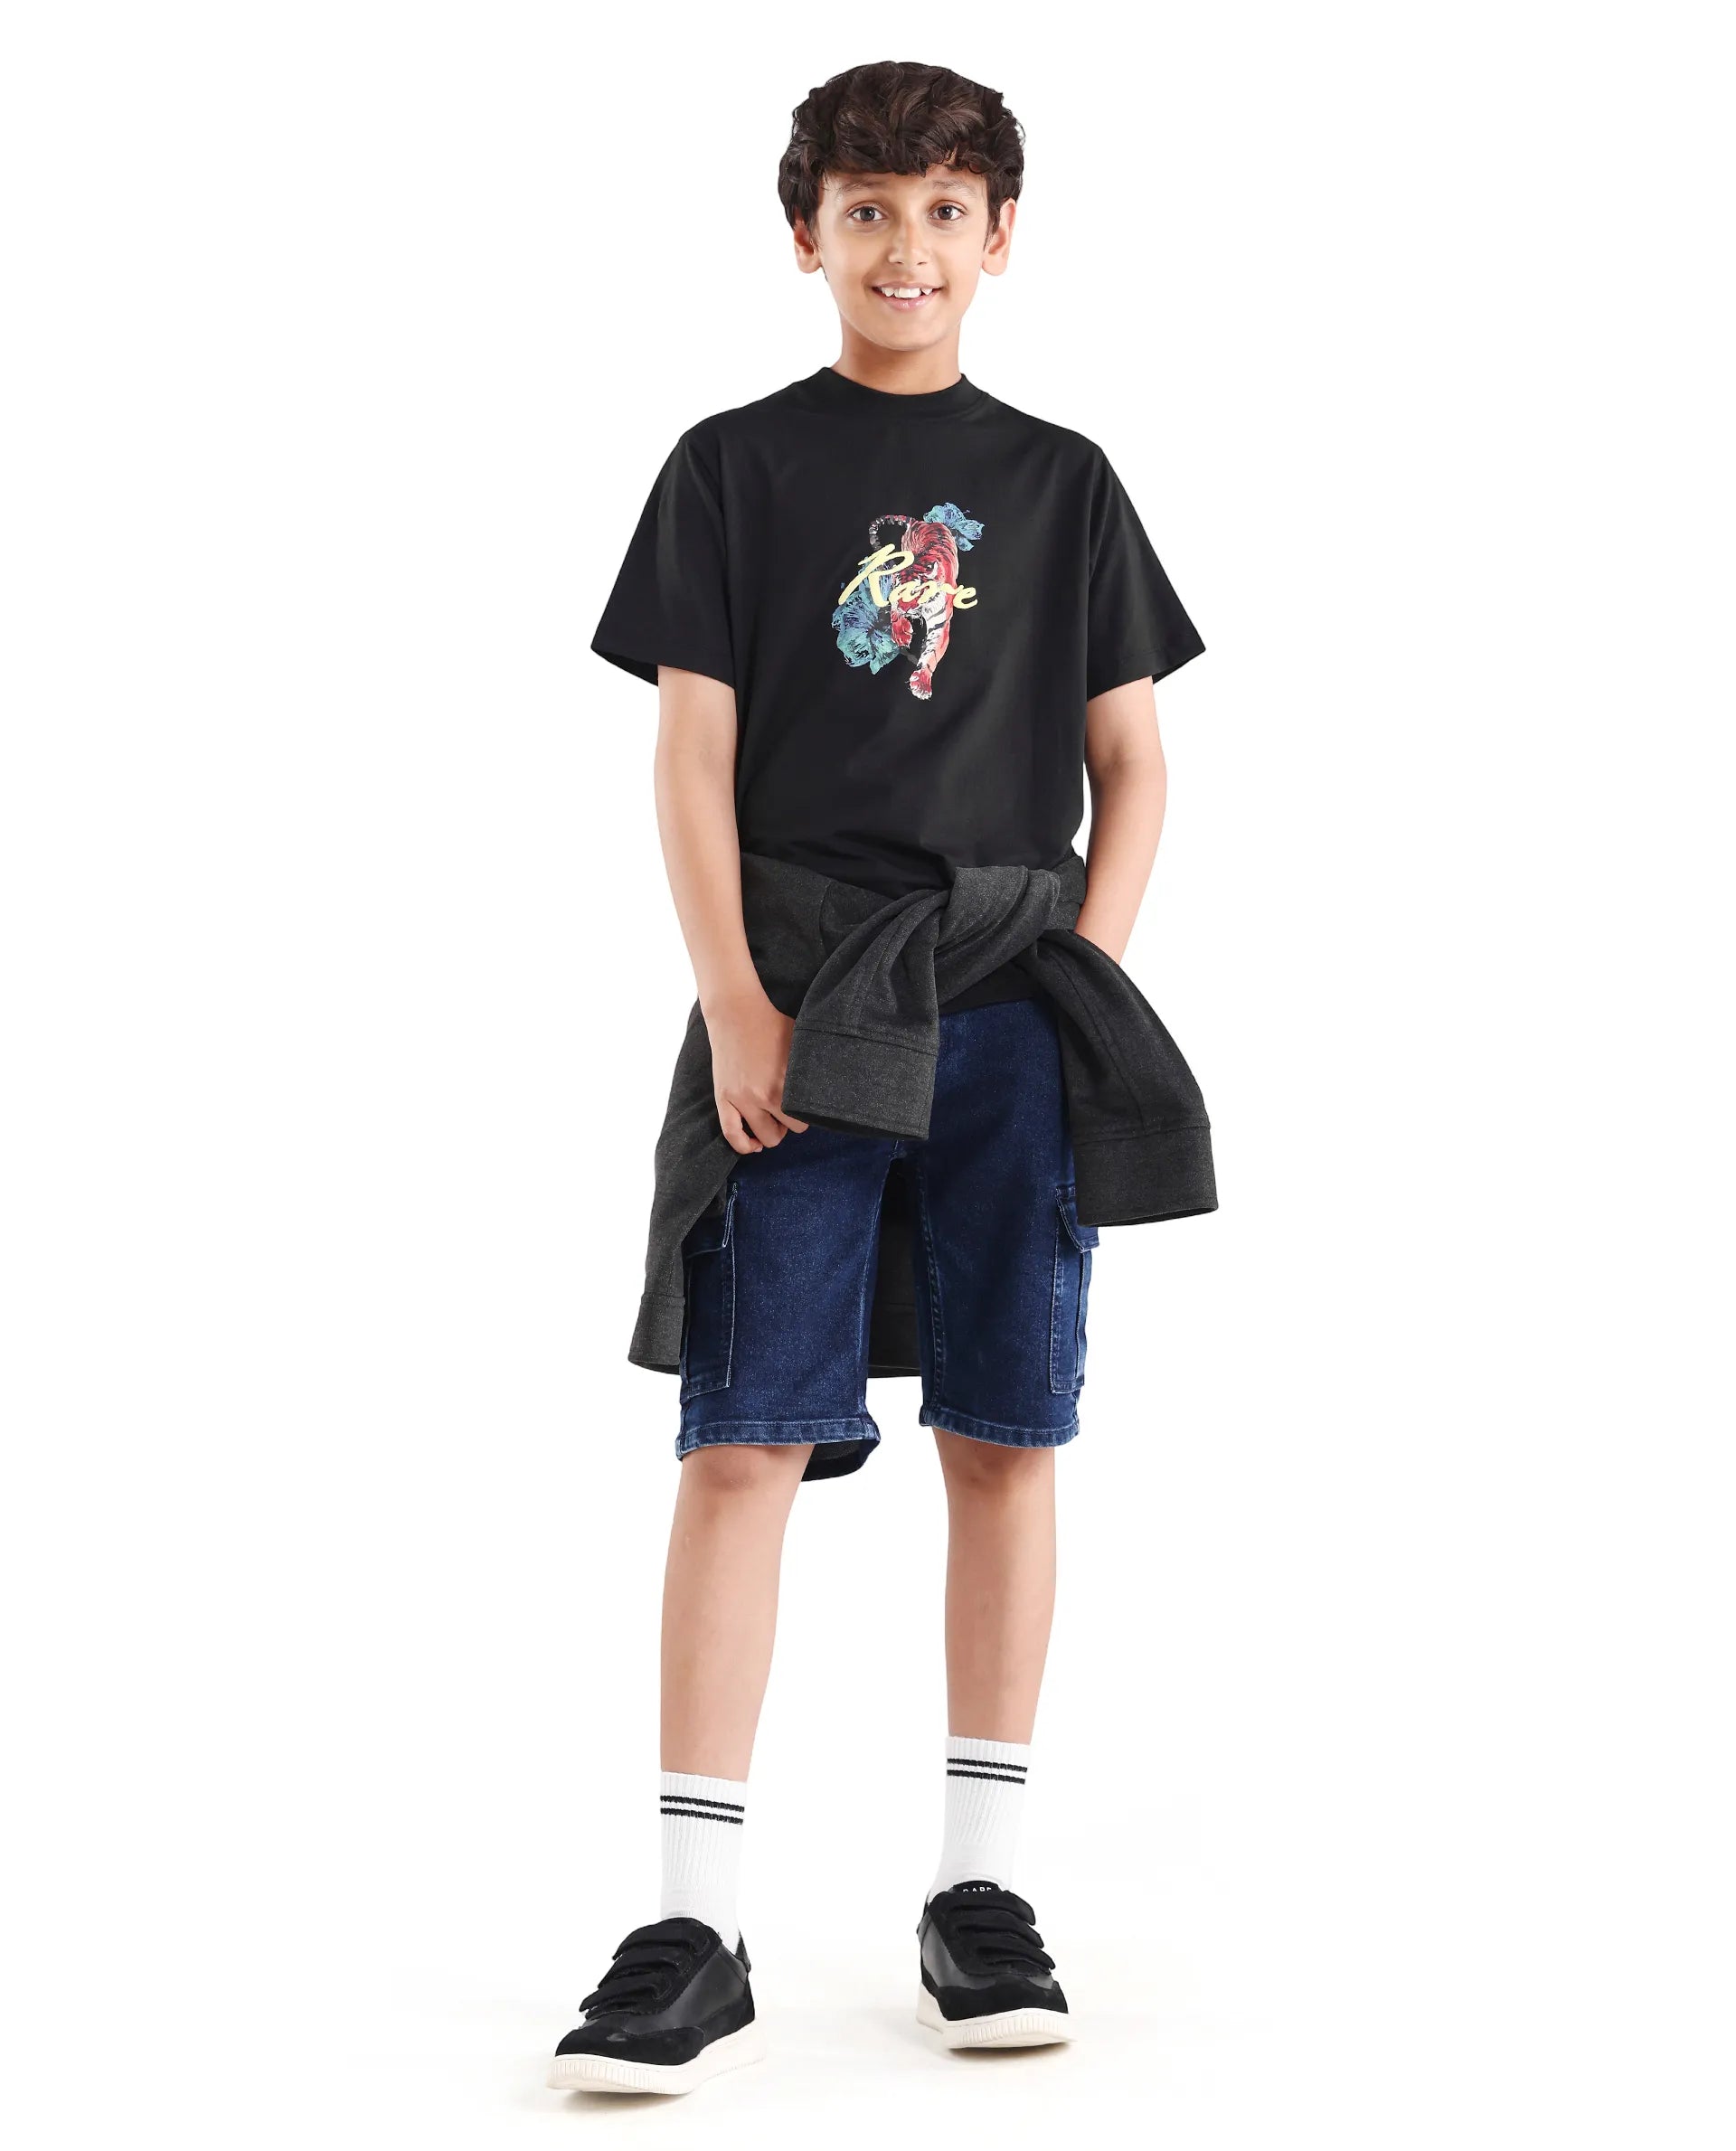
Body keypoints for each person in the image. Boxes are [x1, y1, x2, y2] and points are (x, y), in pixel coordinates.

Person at [549, 58, 1215, 2097]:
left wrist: (1083, 985)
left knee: (1006, 1425)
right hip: (800, 988)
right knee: (745, 1432)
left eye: (942, 210)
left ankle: (979, 1894)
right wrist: (737, 1001)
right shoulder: (731, 468)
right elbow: (688, 757)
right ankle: (693, 1920)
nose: (904, 246)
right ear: (806, 234)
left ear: (1001, 236)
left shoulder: (1064, 480)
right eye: (866, 209)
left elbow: (1133, 762)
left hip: (1011, 1001)